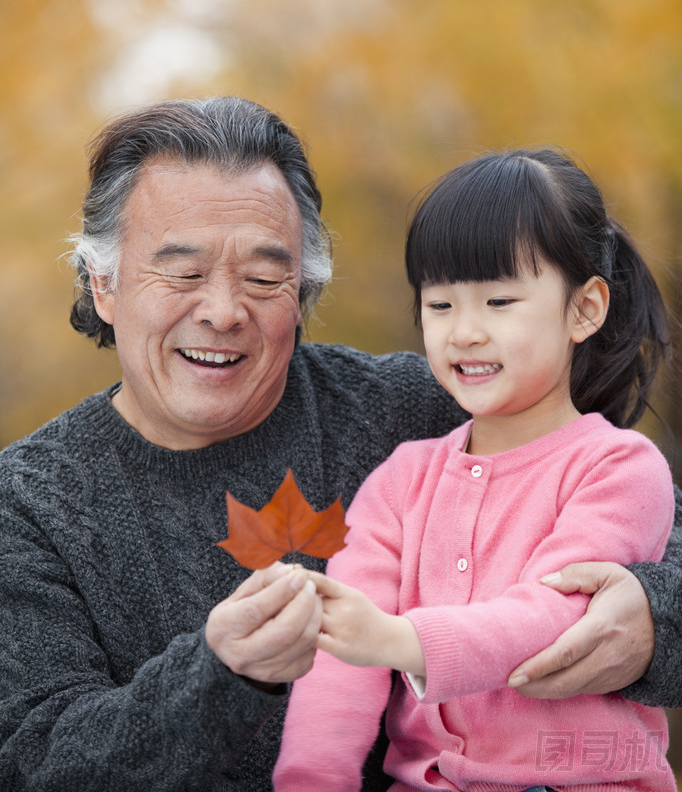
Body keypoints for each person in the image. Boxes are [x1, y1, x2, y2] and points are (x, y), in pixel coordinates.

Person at [0, 102, 678, 792]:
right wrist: (216, 675)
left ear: (303, 291)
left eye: (264, 278)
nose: (225, 310)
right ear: (102, 283)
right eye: (183, 272)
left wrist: (653, 621)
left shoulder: (419, 410)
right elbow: (33, 758)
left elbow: (640, 512)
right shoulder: (30, 499)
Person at [274, 148, 678, 791]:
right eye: (440, 306)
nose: (464, 332)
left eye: (498, 301)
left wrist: (402, 640)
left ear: (585, 309)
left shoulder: (619, 469)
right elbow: (345, 655)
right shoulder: (403, 480)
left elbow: (556, 620)